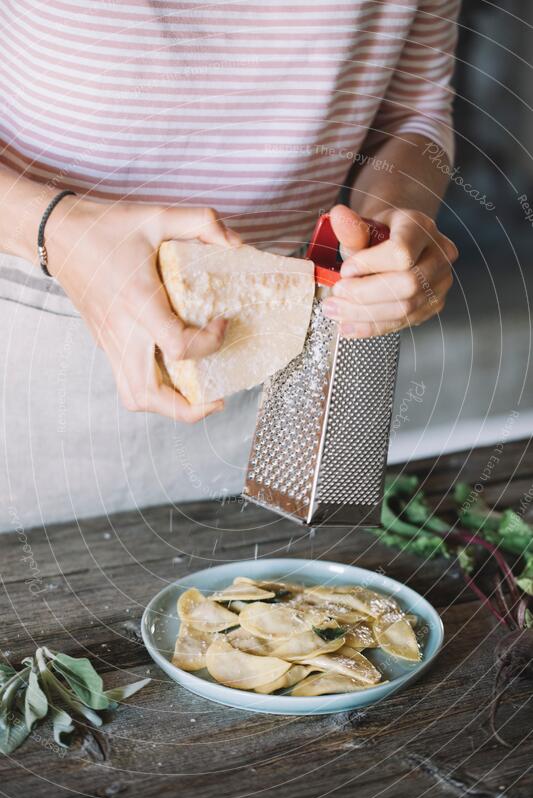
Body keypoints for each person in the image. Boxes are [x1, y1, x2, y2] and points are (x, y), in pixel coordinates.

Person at [0, 1, 460, 530]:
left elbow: (412, 114)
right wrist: (54, 231)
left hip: (274, 359)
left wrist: (389, 220)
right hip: (32, 354)